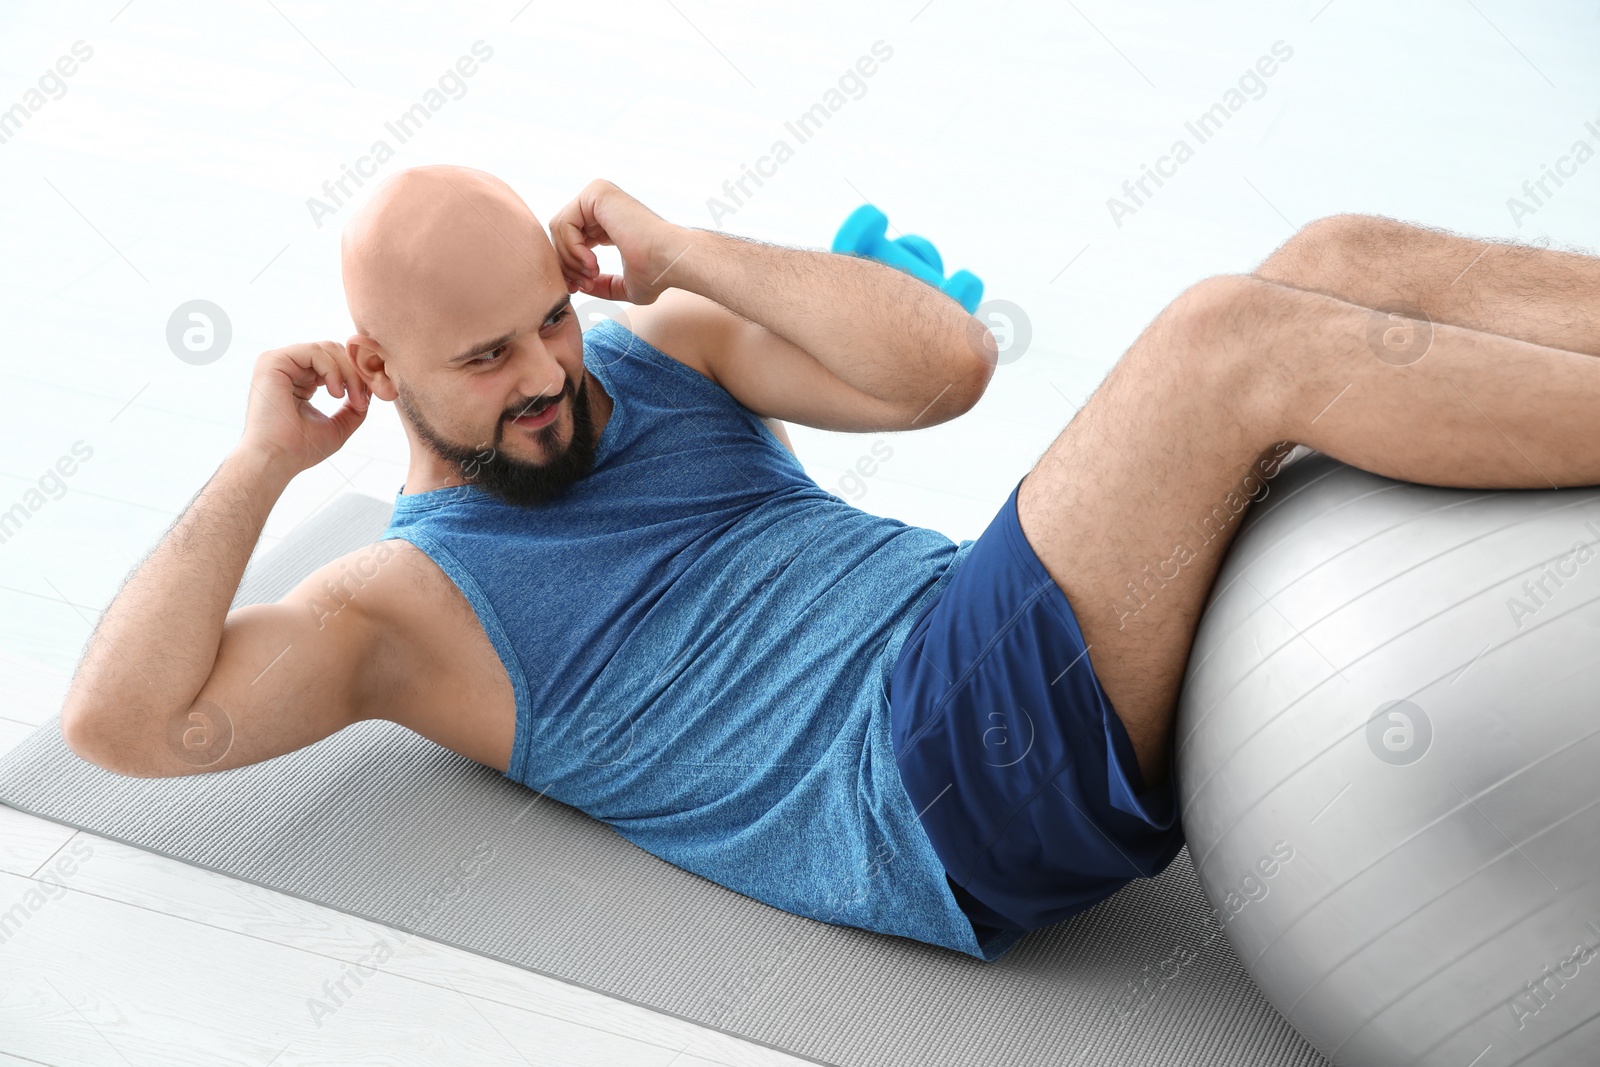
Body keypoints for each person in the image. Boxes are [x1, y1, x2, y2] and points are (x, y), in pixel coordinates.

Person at [58, 165, 1600, 962]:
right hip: (925, 788)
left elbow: (947, 370)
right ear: (379, 373)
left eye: (550, 315)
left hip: (978, 651)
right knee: (1221, 339)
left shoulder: (650, 365)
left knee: (1333, 256)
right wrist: (266, 459)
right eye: (486, 357)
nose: (545, 370)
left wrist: (679, 255)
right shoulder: (402, 609)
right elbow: (124, 727)